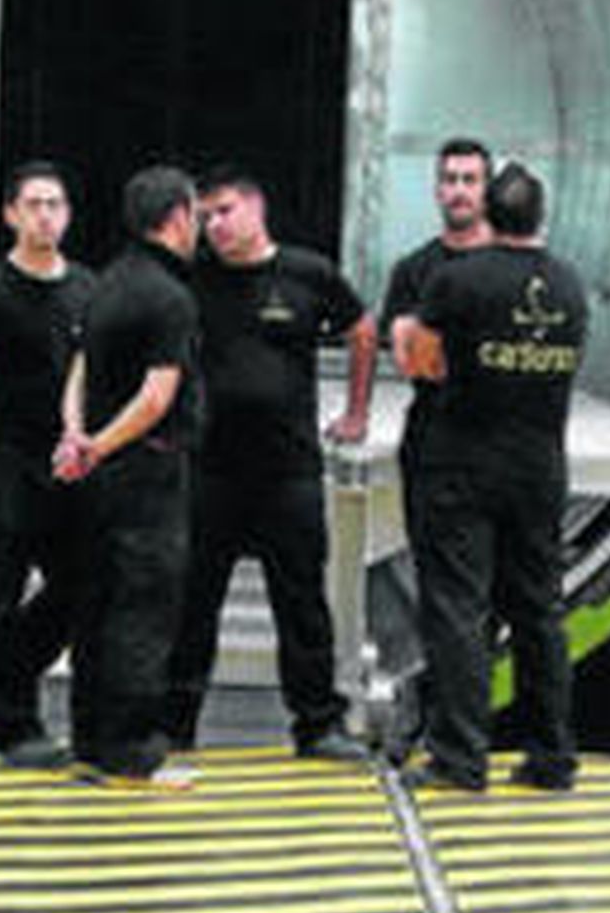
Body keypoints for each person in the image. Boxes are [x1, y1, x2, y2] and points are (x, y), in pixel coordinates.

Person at [165, 170, 376, 759]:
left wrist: (357, 412)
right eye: (205, 216)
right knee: (191, 604)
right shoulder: (192, 277)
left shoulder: (307, 273)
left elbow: (362, 329)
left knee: (301, 602)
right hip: (210, 470)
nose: (214, 225)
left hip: (289, 471)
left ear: (257, 209)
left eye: (224, 211)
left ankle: (318, 726)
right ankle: (172, 725)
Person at [398, 158, 589, 793]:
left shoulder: (457, 280)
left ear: (488, 211)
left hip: (462, 464)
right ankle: (552, 756)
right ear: (541, 215)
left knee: (458, 608)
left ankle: (460, 757)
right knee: (539, 613)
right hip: (539, 467)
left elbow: (423, 364)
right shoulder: (568, 285)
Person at [0, 161, 93, 766]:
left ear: (68, 214)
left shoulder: (86, 289)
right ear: (10, 214)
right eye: (33, 204)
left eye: (55, 204)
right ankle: (13, 728)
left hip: (63, 465)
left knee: (80, 585)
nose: (45, 215)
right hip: (4, 464)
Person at [54, 164, 203, 788]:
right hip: (145, 472)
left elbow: (80, 370)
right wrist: (100, 445)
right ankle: (134, 751)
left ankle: (89, 741)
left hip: (97, 479)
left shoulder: (105, 283)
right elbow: (156, 396)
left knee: (95, 605)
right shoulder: (170, 297)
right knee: (144, 610)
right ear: (178, 218)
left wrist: (76, 435)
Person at [381, 136, 494, 761]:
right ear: (435, 188)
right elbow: (416, 364)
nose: (458, 190)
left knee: (487, 595)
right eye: (449, 179)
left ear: (487, 189)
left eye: (469, 180)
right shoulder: (415, 270)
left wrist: (443, 348)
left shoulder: (513, 266)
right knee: (437, 589)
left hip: (497, 450)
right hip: (434, 445)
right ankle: (431, 715)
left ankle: (463, 726)